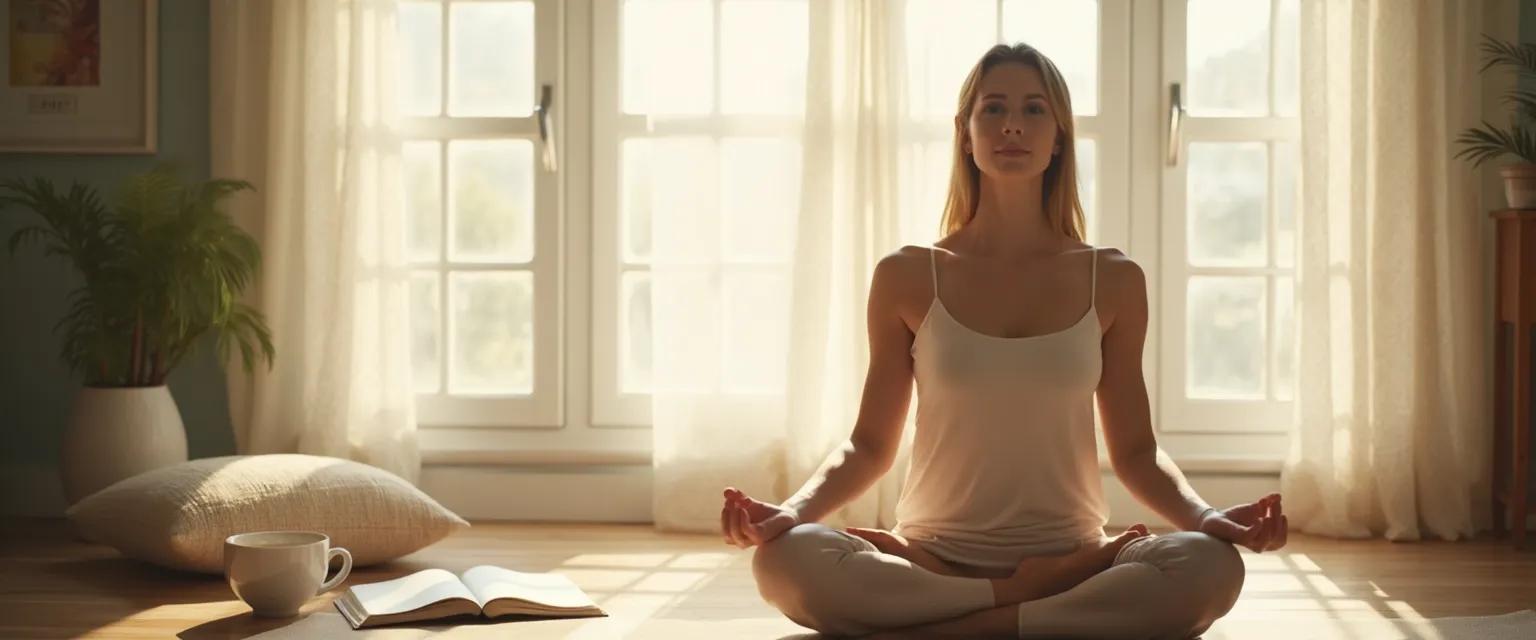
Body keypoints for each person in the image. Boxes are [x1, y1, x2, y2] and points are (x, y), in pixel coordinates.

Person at [718, 42, 1290, 639]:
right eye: (992, 109)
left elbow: (1137, 454)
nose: (1012, 124)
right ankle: (1020, 606)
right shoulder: (908, 275)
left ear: (1059, 137)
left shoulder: (1115, 279)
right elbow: (868, 445)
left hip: (1072, 559)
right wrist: (791, 513)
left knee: (1210, 567)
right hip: (932, 556)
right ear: (965, 134)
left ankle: (952, 624)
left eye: (1034, 109)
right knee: (784, 560)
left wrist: (1207, 518)